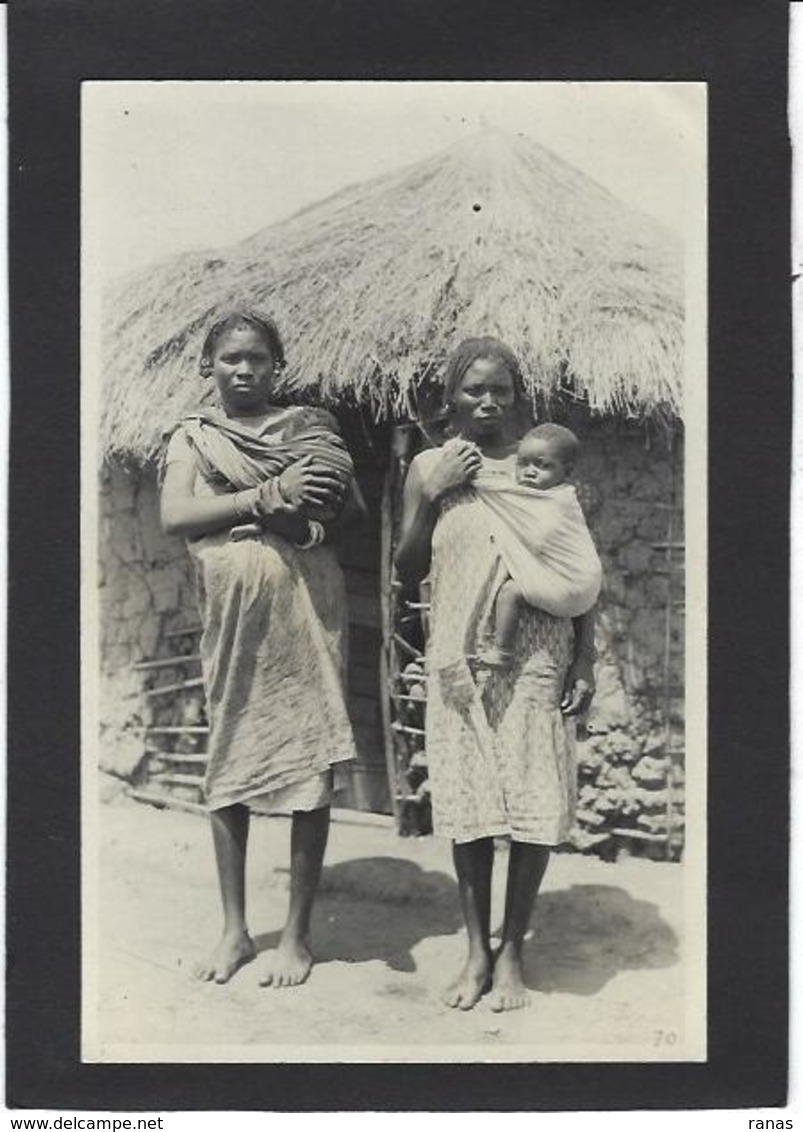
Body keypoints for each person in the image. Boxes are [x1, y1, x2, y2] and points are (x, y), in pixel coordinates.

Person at [160, 309, 362, 989]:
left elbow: (347, 513)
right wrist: (267, 494)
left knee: (309, 759)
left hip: (307, 608)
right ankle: (233, 930)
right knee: (229, 761)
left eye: (256, 359)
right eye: (229, 359)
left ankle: (298, 936)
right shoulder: (194, 436)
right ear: (207, 366)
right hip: (235, 620)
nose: (243, 370)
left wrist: (300, 523)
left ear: (278, 367)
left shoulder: (307, 429)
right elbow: (176, 515)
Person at [395, 336, 596, 1013]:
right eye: (473, 390)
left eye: (500, 391)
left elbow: (578, 570)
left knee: (532, 802)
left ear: (517, 397)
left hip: (538, 651)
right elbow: (404, 565)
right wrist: (433, 494)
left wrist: (586, 658)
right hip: (460, 653)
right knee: (470, 803)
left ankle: (513, 953)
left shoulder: (541, 467)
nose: (487, 402)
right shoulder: (429, 466)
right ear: (449, 396)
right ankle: (476, 953)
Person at [472, 422, 602, 668]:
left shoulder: (560, 501)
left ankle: (503, 651)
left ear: (567, 471)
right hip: (582, 587)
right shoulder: (547, 495)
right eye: (523, 464)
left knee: (510, 592)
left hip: (572, 584)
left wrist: (475, 480)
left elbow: (498, 492)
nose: (530, 472)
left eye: (543, 466)